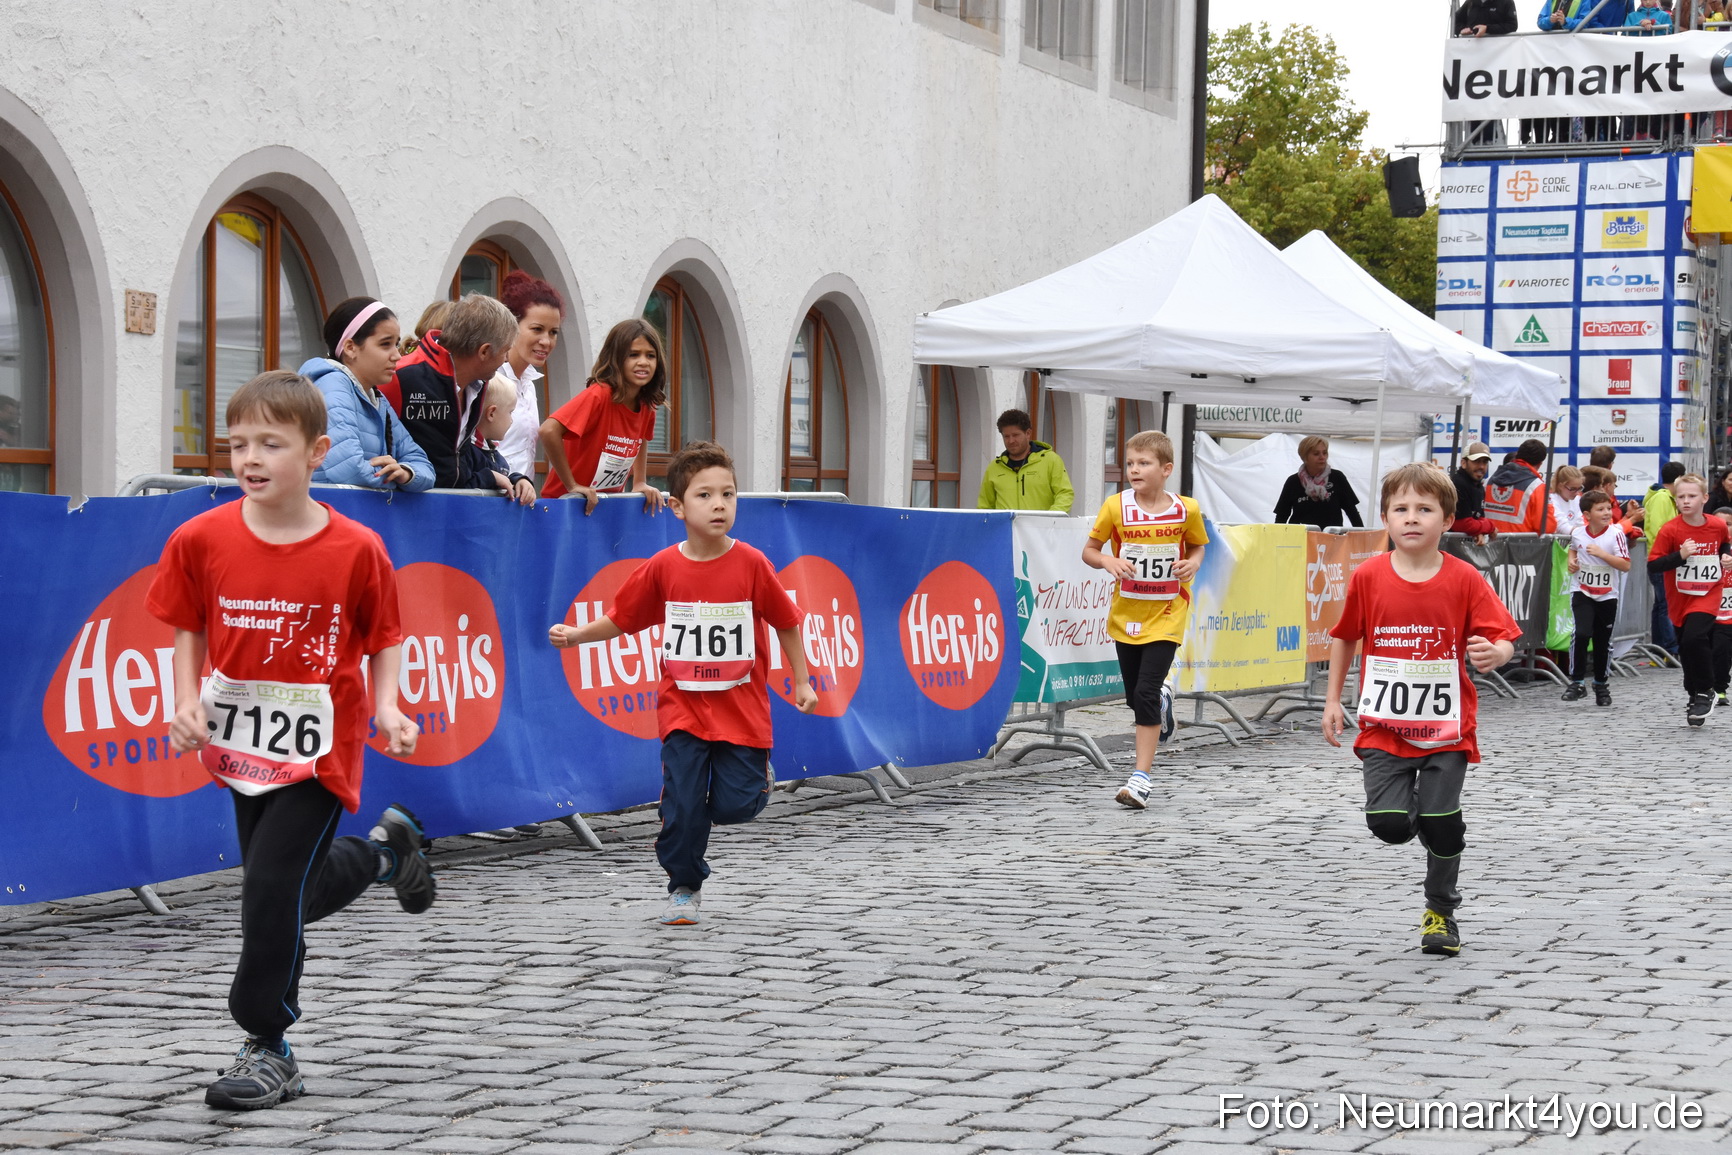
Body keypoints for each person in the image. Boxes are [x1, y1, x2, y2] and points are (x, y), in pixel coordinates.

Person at [144, 371, 433, 1111]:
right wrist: (183, 700)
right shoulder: (200, 537)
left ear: (317, 451)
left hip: (320, 748)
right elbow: (187, 624)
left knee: (270, 888)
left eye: (272, 442)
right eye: (238, 442)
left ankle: (268, 1043)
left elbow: (385, 635)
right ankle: (386, 854)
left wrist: (390, 706)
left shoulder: (355, 547)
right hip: (242, 749)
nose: (251, 456)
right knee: (290, 889)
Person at [548, 440, 818, 925]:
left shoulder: (753, 564)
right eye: (705, 495)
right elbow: (623, 617)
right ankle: (684, 885)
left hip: (741, 710)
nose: (719, 504)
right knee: (682, 805)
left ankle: (755, 786)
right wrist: (578, 637)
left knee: (736, 805)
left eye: (728, 494)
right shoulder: (663, 567)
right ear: (676, 506)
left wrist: (802, 681)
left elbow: (786, 622)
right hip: (683, 708)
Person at [1322, 463, 1521, 958]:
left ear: (1448, 519)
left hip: (1447, 730)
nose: (1412, 518)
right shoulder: (1368, 576)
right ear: (1386, 519)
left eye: (1425, 509)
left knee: (1441, 820)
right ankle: (1428, 827)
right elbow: (1346, 635)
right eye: (1401, 509)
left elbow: (1503, 638)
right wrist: (1332, 699)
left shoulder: (1465, 579)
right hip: (1385, 727)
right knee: (1389, 824)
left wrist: (1497, 655)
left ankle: (1440, 910)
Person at [1082, 430, 1209, 811]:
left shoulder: (1186, 509)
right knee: (1136, 697)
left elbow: (1198, 544)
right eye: (1131, 463)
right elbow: (1090, 551)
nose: (1135, 470)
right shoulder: (1116, 507)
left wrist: (1193, 562)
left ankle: (1140, 779)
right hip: (1127, 615)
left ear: (1166, 469)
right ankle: (1163, 703)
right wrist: (1108, 561)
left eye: (1144, 463)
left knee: (1144, 693)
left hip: (1168, 614)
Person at [299, 298, 434, 493]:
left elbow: (423, 465)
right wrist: (394, 478)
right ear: (350, 347)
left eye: (396, 344)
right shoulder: (332, 386)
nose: (397, 355)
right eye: (385, 344)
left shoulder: (376, 397)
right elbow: (348, 470)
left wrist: (405, 472)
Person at [382, 294, 516, 489]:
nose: (506, 360)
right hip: (400, 507)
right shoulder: (401, 376)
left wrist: (507, 477)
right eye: (505, 351)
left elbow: (460, 456)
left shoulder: (477, 384)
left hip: (447, 507)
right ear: (484, 351)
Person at [539, 319, 667, 514]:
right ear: (616, 358)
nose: (643, 362)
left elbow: (642, 439)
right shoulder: (599, 394)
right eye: (633, 355)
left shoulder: (647, 404)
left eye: (650, 355)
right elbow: (548, 430)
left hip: (603, 507)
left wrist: (640, 481)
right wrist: (572, 486)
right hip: (564, 506)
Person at [1647, 474, 1730, 725]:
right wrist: (1681, 555)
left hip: (1708, 593)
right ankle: (1694, 694)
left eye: (1692, 496)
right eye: (1681, 496)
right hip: (1680, 597)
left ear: (1704, 498)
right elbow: (1653, 565)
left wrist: (1726, 557)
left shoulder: (1716, 525)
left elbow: (1723, 545)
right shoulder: (1671, 529)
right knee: (1686, 647)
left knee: (1696, 637)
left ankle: (1707, 691)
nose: (1686, 501)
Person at [494, 270, 565, 480]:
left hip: (520, 502)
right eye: (537, 329)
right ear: (512, 326)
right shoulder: (490, 380)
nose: (546, 341)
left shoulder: (529, 383)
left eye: (553, 332)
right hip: (492, 499)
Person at [1562, 491, 1630, 706]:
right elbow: (1572, 550)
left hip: (1607, 595)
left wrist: (1602, 555)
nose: (1607, 513)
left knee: (1602, 641)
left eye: (1608, 508)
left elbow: (1625, 565)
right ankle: (1577, 682)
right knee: (1581, 633)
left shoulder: (1615, 534)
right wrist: (1571, 562)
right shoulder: (1578, 533)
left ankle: (1601, 684)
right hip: (1582, 591)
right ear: (1586, 514)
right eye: (1600, 509)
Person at [457, 374, 537, 504]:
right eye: (510, 412)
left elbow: (502, 479)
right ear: (491, 413)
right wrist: (491, 477)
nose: (511, 420)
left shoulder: (492, 452)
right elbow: (459, 490)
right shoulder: (465, 452)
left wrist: (518, 480)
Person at [978, 409, 1075, 512]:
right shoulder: (994, 468)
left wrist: (1049, 520)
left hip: (1040, 527)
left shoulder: (1051, 460)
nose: (1011, 441)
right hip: (1005, 528)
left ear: (1028, 433)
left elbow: (1064, 493)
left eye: (1015, 435)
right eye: (1006, 436)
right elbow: (984, 507)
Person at [1273, 436, 1363, 527]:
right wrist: (1277, 538)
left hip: (1331, 537)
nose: (1322, 457)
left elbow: (1352, 511)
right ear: (1305, 457)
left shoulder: (1337, 477)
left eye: (1324, 453)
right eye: (1316, 454)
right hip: (1301, 537)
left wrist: (1363, 537)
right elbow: (1282, 516)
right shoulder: (1293, 482)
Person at [1646, 461, 1686, 654]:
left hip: (1665, 557)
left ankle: (1661, 647)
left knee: (1661, 604)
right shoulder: (1663, 499)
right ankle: (1670, 647)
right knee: (1666, 603)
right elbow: (1659, 529)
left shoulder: (1667, 498)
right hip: (1662, 558)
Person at [1483, 438, 1556, 535]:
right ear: (1540, 464)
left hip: (1488, 545)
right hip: (1522, 547)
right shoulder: (1537, 487)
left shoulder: (1488, 481)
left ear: (1518, 456)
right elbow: (1546, 527)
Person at [1450, 442, 1499, 539]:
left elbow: (1478, 518)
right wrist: (1490, 527)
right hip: (1447, 547)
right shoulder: (1458, 484)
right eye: (1476, 461)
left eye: (1484, 462)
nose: (1481, 466)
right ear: (1464, 463)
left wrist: (1478, 532)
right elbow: (1461, 524)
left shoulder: (1478, 486)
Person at [1713, 505, 1732, 708]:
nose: (1724, 528)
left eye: (1728, 524)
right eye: (1720, 524)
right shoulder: (1705, 547)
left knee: (1722, 651)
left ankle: (1720, 687)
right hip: (1706, 608)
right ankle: (1705, 687)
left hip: (1728, 612)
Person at [1549, 465, 1586, 536]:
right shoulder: (1552, 499)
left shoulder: (1577, 499)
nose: (1577, 492)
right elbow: (1560, 525)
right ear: (1560, 486)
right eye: (1573, 489)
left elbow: (1580, 522)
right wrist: (1582, 534)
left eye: (1580, 488)